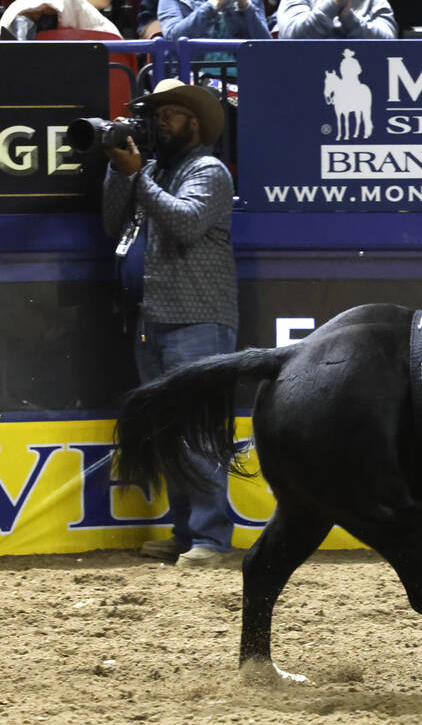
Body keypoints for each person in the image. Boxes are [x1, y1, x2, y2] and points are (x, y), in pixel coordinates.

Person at [101, 78, 237, 567]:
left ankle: (212, 539)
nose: (160, 123)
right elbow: (113, 220)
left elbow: (185, 222)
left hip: (197, 318)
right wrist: (121, 171)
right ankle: (184, 533)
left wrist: (139, 178)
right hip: (152, 318)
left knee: (197, 431)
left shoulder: (209, 169)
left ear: (193, 123)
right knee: (166, 432)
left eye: (169, 116)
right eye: (156, 116)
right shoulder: (154, 169)